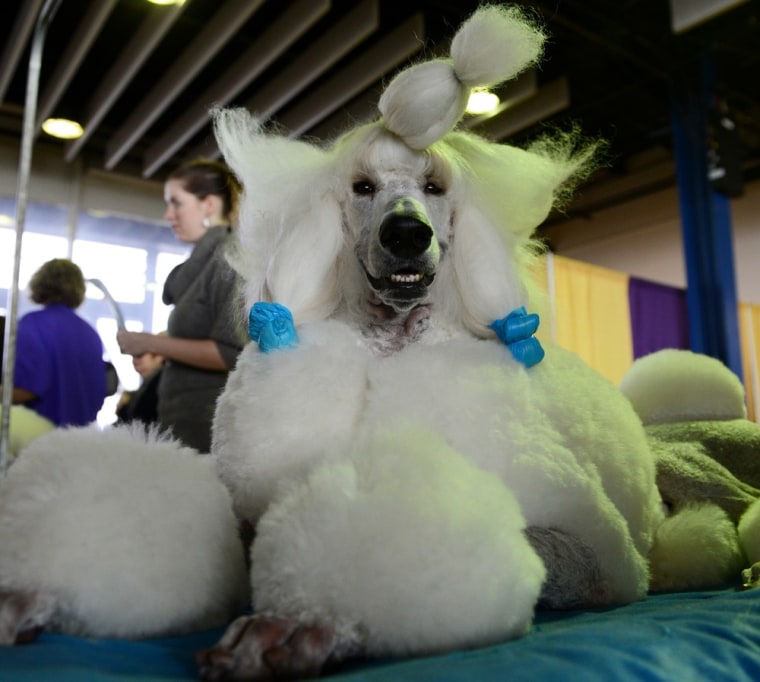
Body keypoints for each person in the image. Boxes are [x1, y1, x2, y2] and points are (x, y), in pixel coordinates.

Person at [117, 159, 246, 453]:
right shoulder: (205, 265)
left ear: (209, 205)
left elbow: (230, 353)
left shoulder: (230, 259)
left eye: (176, 203)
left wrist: (151, 343)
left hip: (208, 426)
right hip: (184, 421)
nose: (168, 214)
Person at [1, 258, 107, 427]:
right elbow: (99, 394)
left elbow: (25, 390)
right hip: (82, 437)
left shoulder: (32, 324)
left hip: (41, 437)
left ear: (39, 285)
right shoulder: (91, 334)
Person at [115, 346, 164, 425]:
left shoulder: (159, 384)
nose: (135, 361)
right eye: (133, 356)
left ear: (159, 356)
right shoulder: (149, 385)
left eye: (139, 355)